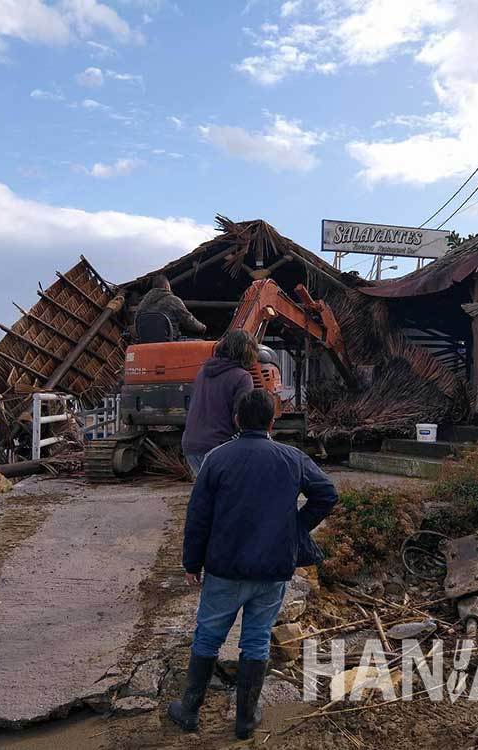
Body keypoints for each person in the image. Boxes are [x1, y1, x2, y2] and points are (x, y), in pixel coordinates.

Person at [168, 388, 339, 739]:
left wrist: (191, 562)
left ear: (236, 420)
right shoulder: (291, 458)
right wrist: (294, 528)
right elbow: (327, 494)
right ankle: (245, 720)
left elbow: (198, 517)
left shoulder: (217, 458)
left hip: (225, 568)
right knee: (257, 640)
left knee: (208, 638)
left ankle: (189, 710)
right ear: (273, 422)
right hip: (272, 568)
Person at [181, 330, 257, 476]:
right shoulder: (242, 377)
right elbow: (242, 418)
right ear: (248, 351)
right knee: (232, 495)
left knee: (210, 494)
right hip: (219, 446)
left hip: (191, 445)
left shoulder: (203, 372)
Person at [135, 274, 207, 341]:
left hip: (146, 342)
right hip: (169, 341)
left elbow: (136, 324)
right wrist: (202, 328)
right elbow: (188, 321)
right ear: (167, 286)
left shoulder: (141, 304)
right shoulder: (172, 300)